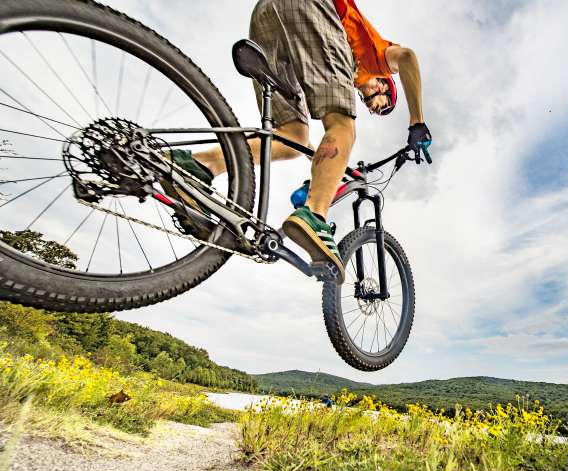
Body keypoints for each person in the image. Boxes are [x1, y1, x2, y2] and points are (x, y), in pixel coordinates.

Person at [163, 0, 432, 285]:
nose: (377, 108)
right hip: (309, 7)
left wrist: (322, 165)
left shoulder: (346, 68)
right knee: (343, 125)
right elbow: (407, 58)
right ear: (383, 84)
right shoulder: (375, 59)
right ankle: (315, 215)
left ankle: (196, 165)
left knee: (292, 138)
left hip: (267, 14)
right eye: (383, 103)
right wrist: (417, 122)